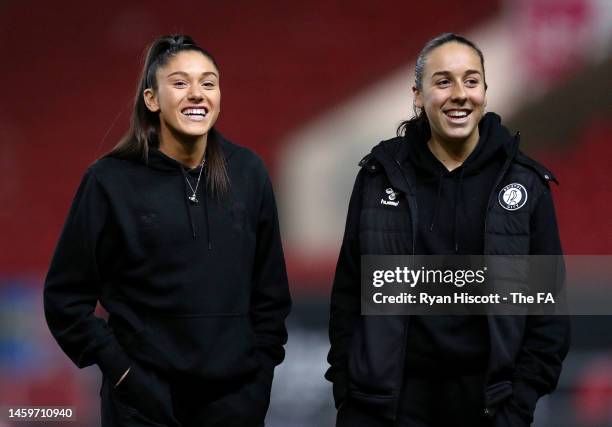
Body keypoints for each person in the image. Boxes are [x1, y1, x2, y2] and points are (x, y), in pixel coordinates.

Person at [44, 34, 291, 427]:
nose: (197, 94)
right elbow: (65, 300)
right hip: (140, 407)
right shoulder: (108, 181)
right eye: (180, 83)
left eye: (208, 83)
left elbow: (271, 296)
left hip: (234, 405)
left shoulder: (249, 173)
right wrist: (123, 374)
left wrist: (258, 382)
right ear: (152, 99)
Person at [326, 33, 570, 427]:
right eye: (443, 82)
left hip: (490, 408)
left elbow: (548, 315)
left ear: (485, 93)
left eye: (471, 81)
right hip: (385, 408)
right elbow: (348, 297)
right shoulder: (378, 175)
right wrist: (348, 391)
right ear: (418, 96)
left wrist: (518, 405)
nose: (460, 94)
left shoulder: (526, 185)